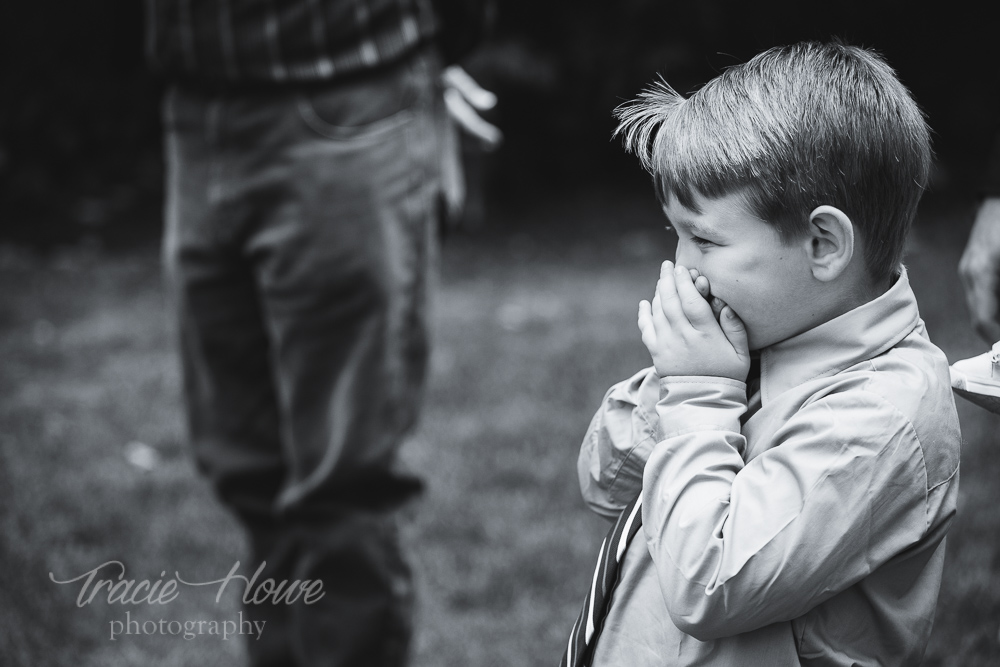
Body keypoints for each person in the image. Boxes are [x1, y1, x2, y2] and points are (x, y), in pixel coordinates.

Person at [562, 42, 961, 666]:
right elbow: (606, 484)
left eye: (704, 239)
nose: (680, 268)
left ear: (823, 244)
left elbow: (710, 585)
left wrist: (696, 393)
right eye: (676, 234)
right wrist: (675, 384)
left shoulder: (881, 419)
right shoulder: (764, 338)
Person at [145, 2, 497, 665]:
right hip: (195, 109)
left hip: (348, 91)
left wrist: (425, 64)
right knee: (247, 468)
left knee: (344, 480)